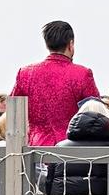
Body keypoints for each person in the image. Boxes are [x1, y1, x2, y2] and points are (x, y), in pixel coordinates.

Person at [12, 20, 101, 148]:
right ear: (71, 44)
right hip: (71, 151)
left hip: (36, 149)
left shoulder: (25, 73)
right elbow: (95, 113)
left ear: (47, 44)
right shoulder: (82, 74)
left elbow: (14, 112)